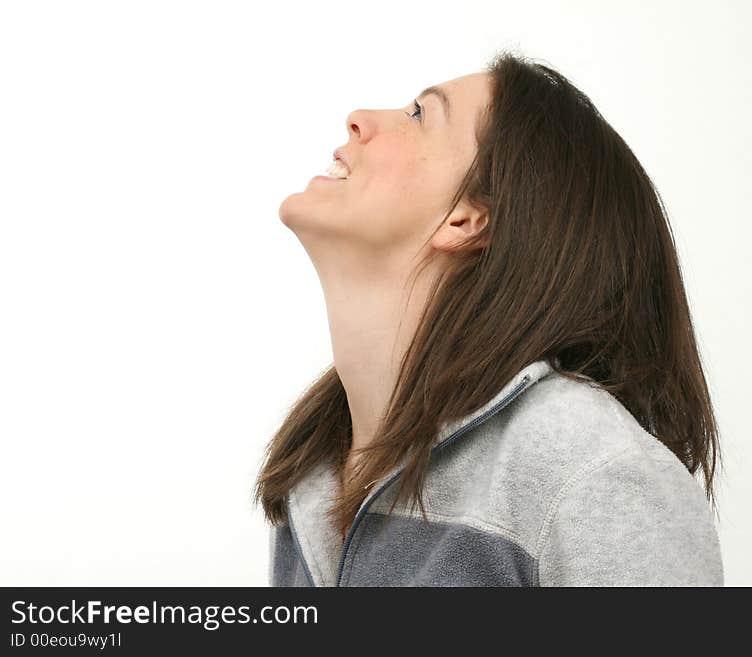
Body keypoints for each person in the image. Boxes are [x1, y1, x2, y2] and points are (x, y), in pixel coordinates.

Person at [254, 50, 725, 586]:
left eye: (419, 115)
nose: (359, 118)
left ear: (469, 219)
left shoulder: (591, 470)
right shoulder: (313, 473)